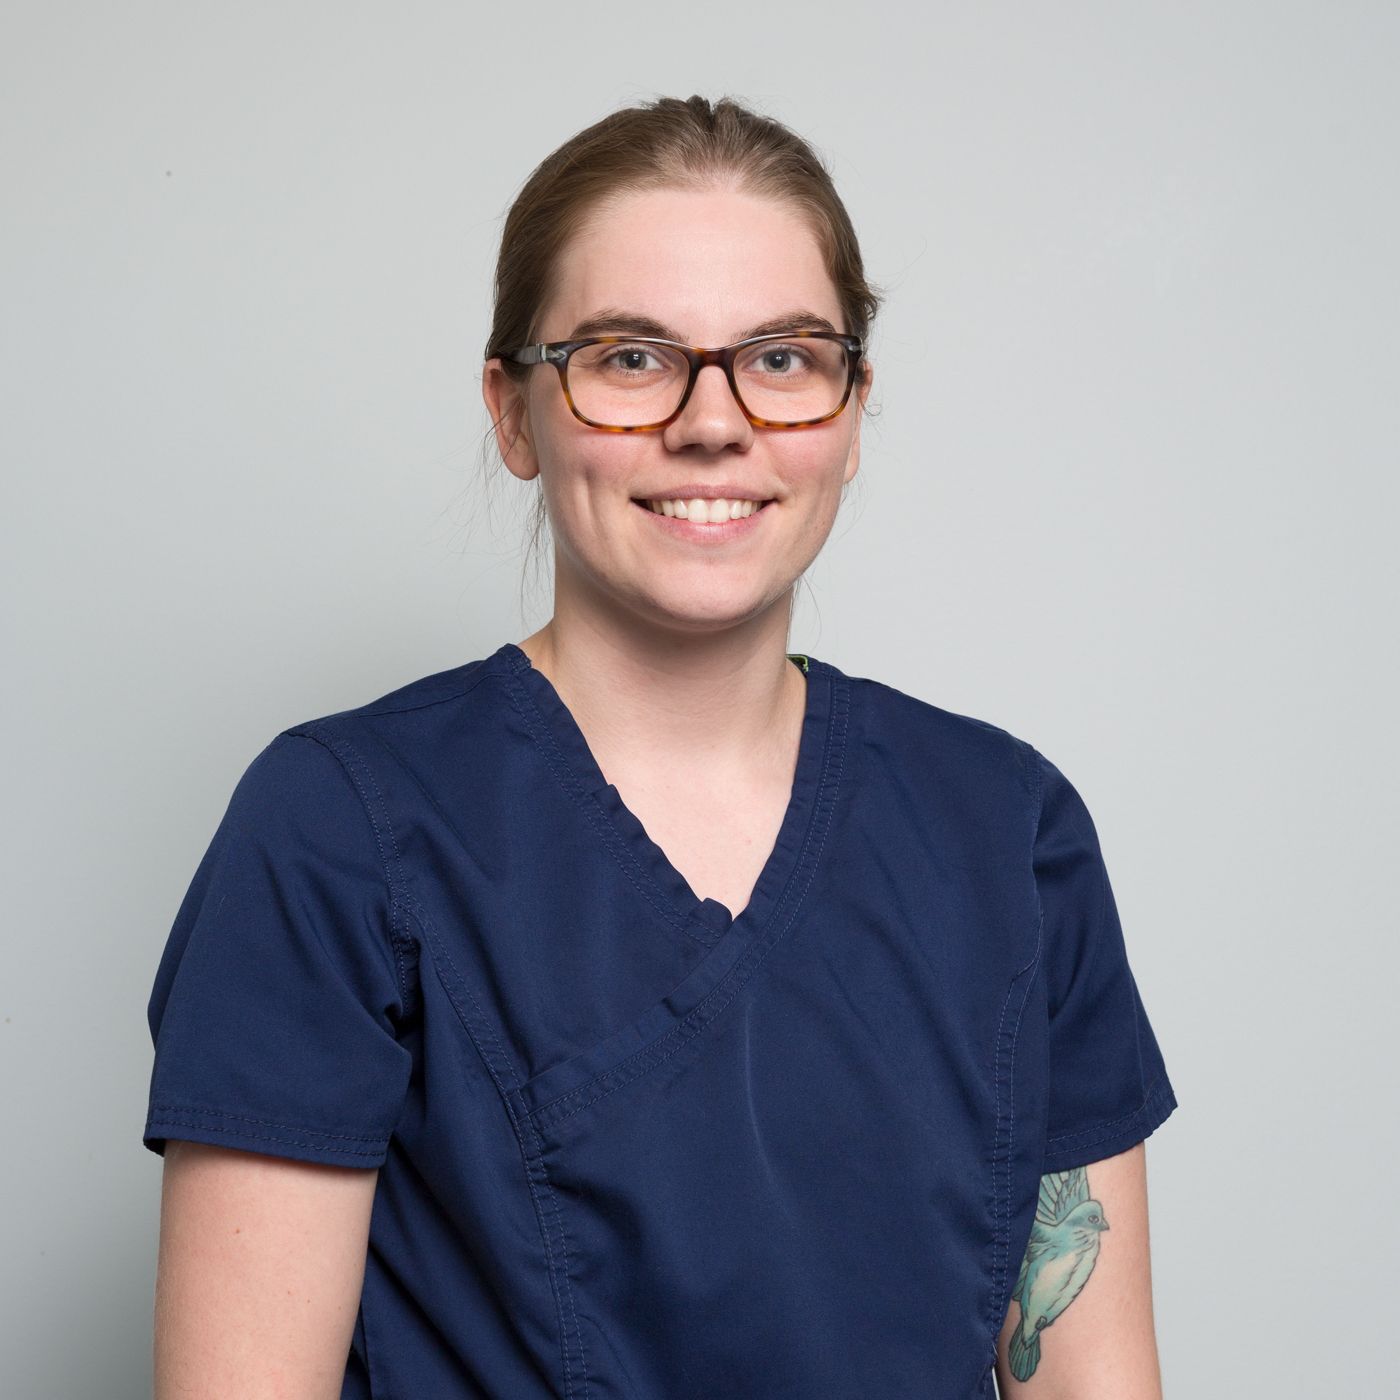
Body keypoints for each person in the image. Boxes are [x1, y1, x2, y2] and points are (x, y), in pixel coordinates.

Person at [142, 94, 1179, 1399]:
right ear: (514, 413)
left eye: (783, 357)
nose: (714, 420)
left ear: (853, 410)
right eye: (631, 356)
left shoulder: (1007, 830)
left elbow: (1088, 1376)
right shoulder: (340, 827)